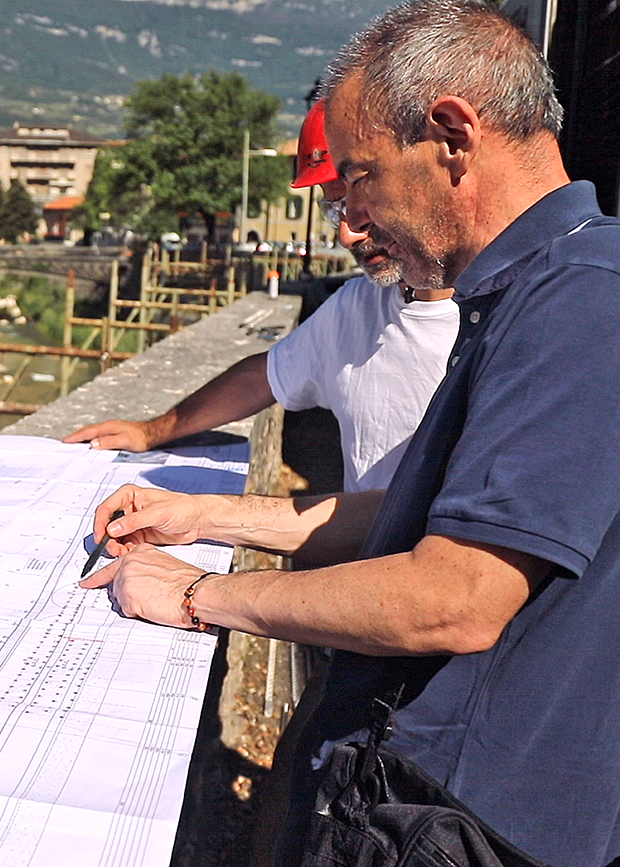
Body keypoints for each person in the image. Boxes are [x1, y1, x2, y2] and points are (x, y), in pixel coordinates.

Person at [79, 2, 620, 865]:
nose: (351, 218)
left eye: (360, 175)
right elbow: (419, 518)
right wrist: (204, 517)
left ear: (451, 135)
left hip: (461, 819)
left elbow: (455, 595)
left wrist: (196, 597)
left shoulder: (582, 300)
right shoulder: (529, 293)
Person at [63, 100, 459, 493]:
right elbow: (263, 378)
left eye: (365, 199)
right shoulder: (357, 307)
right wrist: (152, 432)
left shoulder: (501, 324)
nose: (346, 234)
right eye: (335, 209)